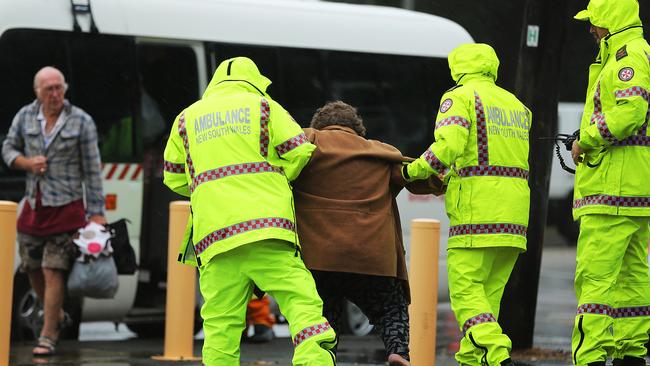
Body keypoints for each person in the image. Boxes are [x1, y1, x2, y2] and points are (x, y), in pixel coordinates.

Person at [162, 56, 337, 366]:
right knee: (301, 303)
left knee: (220, 326)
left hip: (215, 238)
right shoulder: (264, 106)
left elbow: (174, 177)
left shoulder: (186, 118)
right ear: (255, 80)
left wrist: (212, 190)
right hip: (267, 229)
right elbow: (299, 152)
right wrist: (278, 177)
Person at [403, 43, 531, 366]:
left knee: (466, 293)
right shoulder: (516, 104)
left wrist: (412, 171)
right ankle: (474, 361)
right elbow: (488, 156)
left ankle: (498, 354)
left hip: (477, 215)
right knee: (487, 302)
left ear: (457, 68)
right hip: (514, 219)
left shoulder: (459, 98)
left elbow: (448, 146)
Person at [292, 101, 444, 366]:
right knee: (390, 307)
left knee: (322, 317)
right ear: (358, 130)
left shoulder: (305, 144)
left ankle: (322, 359)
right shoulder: (380, 153)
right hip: (370, 258)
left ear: (319, 125)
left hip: (317, 259)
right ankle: (398, 351)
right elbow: (424, 179)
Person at [1, 66, 106, 356]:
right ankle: (57, 314)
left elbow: (92, 171)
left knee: (52, 270)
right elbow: (8, 149)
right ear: (37, 91)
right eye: (49, 89)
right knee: (31, 268)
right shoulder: (24, 116)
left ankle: (48, 335)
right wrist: (26, 163)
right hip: (34, 207)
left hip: (67, 209)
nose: (55, 94)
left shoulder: (81, 121)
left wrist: (97, 212)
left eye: (59, 87)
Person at [570, 0, 650, 364]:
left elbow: (630, 112)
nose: (591, 29)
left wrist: (586, 138)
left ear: (612, 19)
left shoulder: (624, 56)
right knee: (632, 279)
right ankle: (631, 353)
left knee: (595, 281)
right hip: (634, 188)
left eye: (595, 21)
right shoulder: (637, 51)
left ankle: (589, 358)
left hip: (611, 190)